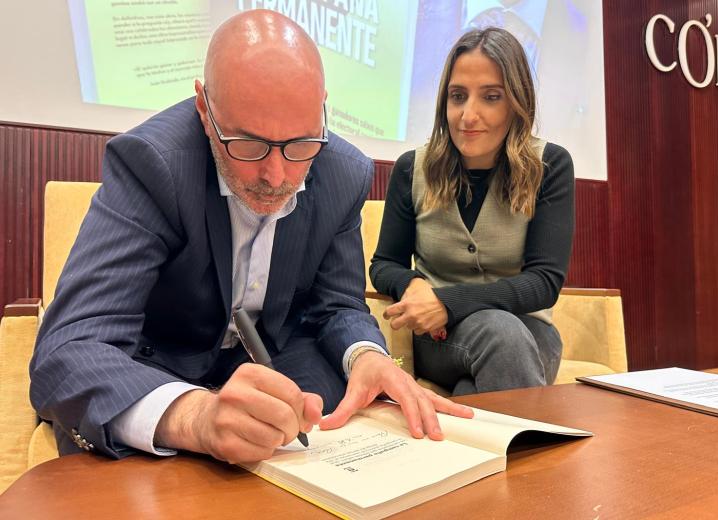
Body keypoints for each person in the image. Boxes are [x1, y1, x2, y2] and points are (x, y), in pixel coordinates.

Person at [30, 9, 472, 465]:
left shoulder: (343, 171)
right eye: (247, 145)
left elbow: (338, 305)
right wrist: (195, 415)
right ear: (205, 110)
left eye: (301, 144)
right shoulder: (152, 162)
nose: (276, 177)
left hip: (275, 362)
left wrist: (366, 356)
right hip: (160, 364)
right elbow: (71, 347)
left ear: (322, 108)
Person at [370, 27, 574, 396]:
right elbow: (384, 264)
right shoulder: (411, 168)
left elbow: (544, 282)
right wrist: (413, 284)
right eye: (457, 96)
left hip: (530, 331)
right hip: (442, 338)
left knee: (477, 380)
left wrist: (447, 301)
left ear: (516, 102)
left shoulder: (551, 165)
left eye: (491, 97)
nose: (468, 115)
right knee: (499, 335)